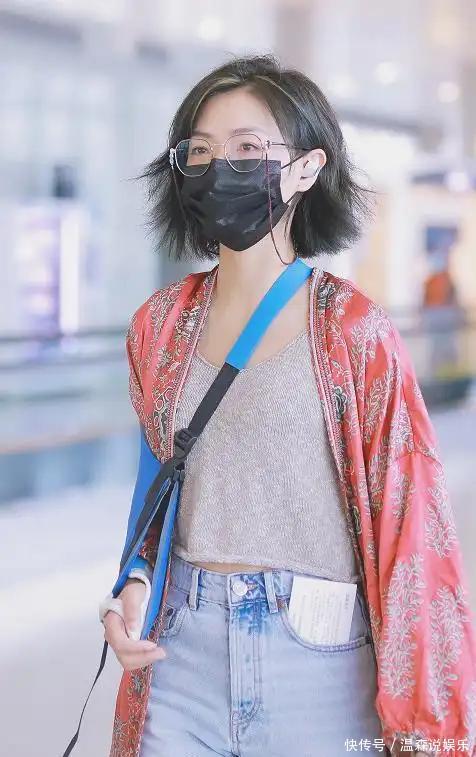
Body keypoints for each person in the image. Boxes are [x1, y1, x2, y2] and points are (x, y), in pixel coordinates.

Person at [102, 54, 476, 757]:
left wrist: (430, 728)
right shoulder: (159, 327)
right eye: (200, 151)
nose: (219, 168)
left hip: (318, 662)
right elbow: (159, 487)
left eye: (247, 148)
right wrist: (135, 583)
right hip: (179, 654)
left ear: (306, 168)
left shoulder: (354, 333)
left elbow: (413, 531)